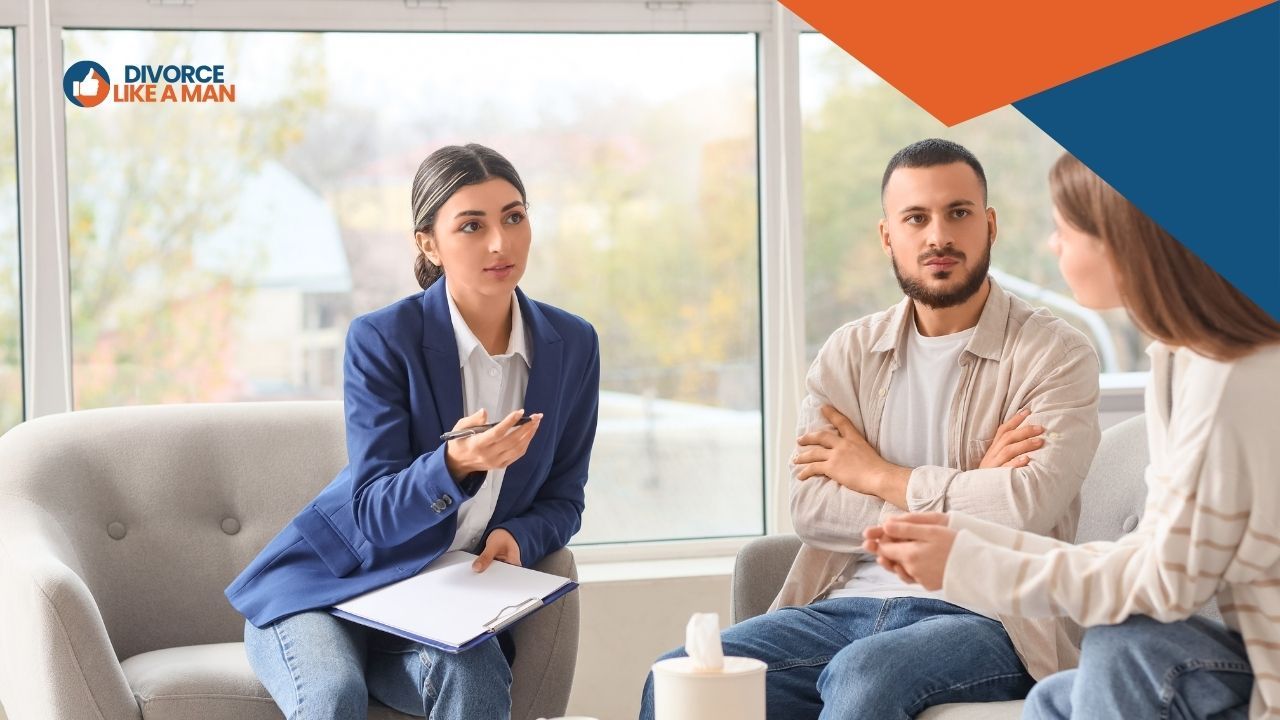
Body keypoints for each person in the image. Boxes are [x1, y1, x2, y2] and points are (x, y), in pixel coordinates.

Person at [638, 138, 1102, 719]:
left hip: (988, 617)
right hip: (839, 607)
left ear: (988, 225)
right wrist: (967, 491)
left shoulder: (1055, 354)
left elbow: (1024, 507)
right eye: (916, 218)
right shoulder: (850, 353)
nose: (939, 236)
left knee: (864, 676)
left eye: (958, 213)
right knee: (678, 679)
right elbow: (811, 508)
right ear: (888, 235)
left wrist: (874, 474)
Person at [866, 152, 1280, 719]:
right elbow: (1153, 551)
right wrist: (966, 533)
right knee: (1056, 699)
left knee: (1121, 645)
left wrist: (968, 560)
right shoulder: (1180, 361)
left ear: (1121, 240)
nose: (1052, 246)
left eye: (1064, 229)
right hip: (1246, 660)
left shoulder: (1237, 377)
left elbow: (1165, 584)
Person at [225, 143, 601, 720]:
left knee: (474, 675)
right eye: (471, 225)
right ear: (428, 242)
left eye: (514, 217)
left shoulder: (572, 344)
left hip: (435, 603)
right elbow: (374, 510)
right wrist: (454, 465)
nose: (500, 242)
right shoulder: (383, 339)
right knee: (333, 696)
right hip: (325, 588)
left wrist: (520, 538)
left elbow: (564, 497)